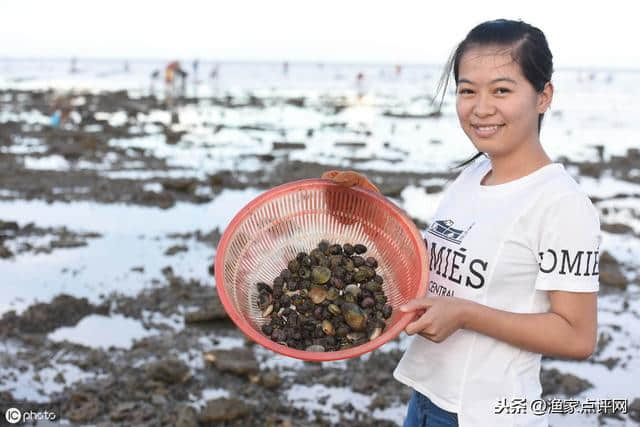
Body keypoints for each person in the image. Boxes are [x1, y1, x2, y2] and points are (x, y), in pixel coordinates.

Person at [322, 19, 600, 427]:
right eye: (467, 91)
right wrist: (377, 210)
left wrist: (467, 315)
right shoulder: (472, 177)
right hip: (427, 399)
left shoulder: (562, 204)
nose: (481, 107)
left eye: (501, 90)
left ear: (543, 96)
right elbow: (443, 270)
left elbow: (578, 336)